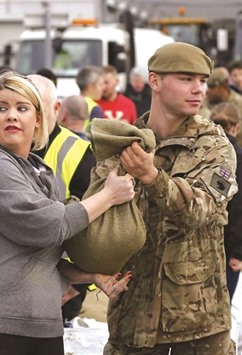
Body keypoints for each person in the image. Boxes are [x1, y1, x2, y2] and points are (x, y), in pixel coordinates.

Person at [0, 71, 134, 355]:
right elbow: (45, 226)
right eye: (2, 107)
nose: (11, 116)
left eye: (22, 108)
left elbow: (38, 258)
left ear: (39, 119)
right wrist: (108, 196)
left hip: (39, 323)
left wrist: (90, 275)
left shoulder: (39, 171)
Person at [104, 42, 238, 354]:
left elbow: (200, 210)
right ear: (155, 81)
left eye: (202, 81)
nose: (198, 90)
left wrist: (151, 176)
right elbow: (98, 219)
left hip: (198, 327)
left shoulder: (216, 147)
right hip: (131, 321)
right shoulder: (126, 143)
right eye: (186, 79)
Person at [28, 74, 97, 325]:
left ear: (56, 109)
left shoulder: (78, 152)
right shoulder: (3, 146)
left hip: (60, 291)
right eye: (25, 105)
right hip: (10, 289)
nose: (31, 116)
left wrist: (74, 287)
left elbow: (95, 226)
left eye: (38, 107)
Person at [210, 102, 242, 300]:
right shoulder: (238, 157)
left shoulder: (205, 155)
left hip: (203, 241)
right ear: (236, 127)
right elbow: (239, 207)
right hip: (230, 243)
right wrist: (238, 251)